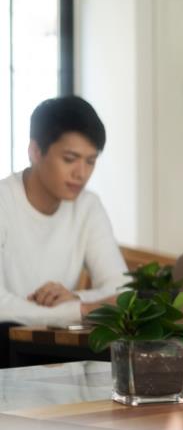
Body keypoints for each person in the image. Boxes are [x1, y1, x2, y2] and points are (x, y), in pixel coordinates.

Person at [0, 96, 128, 327]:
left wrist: (76, 299)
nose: (81, 173)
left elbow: (122, 289)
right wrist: (79, 311)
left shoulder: (88, 206)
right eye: (70, 159)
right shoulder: (4, 201)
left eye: (91, 161)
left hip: (53, 343)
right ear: (36, 151)